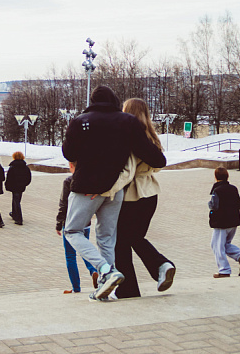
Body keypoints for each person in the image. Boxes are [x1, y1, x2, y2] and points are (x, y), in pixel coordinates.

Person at [61, 86, 166, 302]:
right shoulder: (128, 121)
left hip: (87, 188)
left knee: (72, 231)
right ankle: (105, 288)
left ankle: (105, 270)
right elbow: (152, 155)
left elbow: (69, 153)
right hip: (115, 189)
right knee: (107, 238)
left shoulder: (80, 121)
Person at [112, 98, 175, 298]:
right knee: (134, 238)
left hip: (131, 195)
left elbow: (126, 169)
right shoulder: (151, 136)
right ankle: (159, 267)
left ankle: (136, 283)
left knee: (121, 242)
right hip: (150, 192)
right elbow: (158, 164)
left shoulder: (129, 136)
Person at [57, 162, 98, 294]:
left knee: (70, 256)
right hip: (85, 222)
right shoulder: (91, 179)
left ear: (71, 166)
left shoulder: (69, 181)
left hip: (70, 223)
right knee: (84, 250)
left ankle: (76, 288)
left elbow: (64, 203)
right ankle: (94, 271)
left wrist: (59, 223)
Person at [209, 167, 240, 278]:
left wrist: (210, 206)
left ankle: (224, 270)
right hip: (233, 221)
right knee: (225, 244)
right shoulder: (233, 188)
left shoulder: (217, 190)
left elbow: (214, 206)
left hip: (221, 223)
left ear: (216, 177)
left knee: (217, 246)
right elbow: (238, 203)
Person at [5, 151, 31, 225]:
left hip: (14, 186)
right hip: (21, 186)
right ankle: (14, 214)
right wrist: (25, 184)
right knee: (16, 199)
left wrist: (7, 185)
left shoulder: (13, 167)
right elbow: (28, 177)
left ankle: (19, 219)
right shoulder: (25, 167)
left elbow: (9, 177)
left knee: (16, 201)